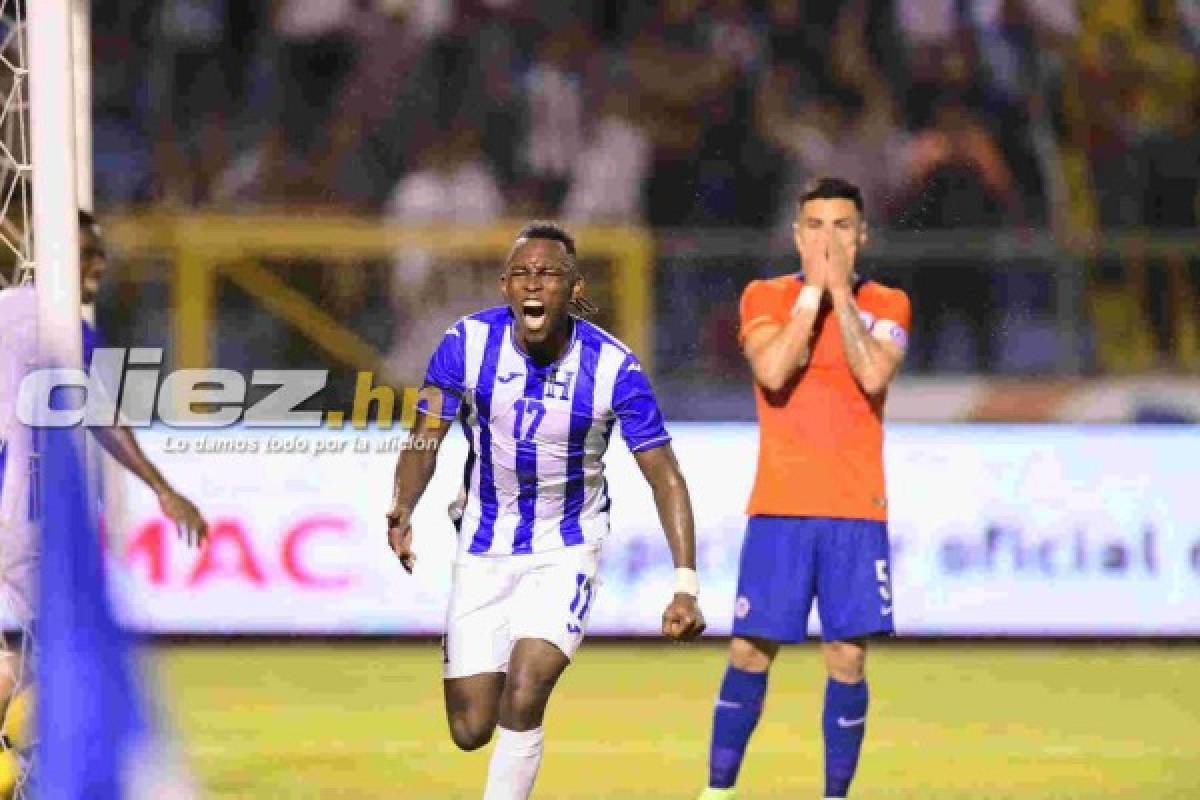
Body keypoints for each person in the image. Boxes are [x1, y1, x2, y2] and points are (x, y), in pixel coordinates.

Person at [385, 221, 706, 800]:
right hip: (483, 544)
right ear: (506, 286)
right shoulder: (463, 343)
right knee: (470, 728)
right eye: (522, 273)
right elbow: (423, 435)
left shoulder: (615, 367)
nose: (535, 284)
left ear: (574, 288)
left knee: (528, 686)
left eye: (549, 273)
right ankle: (474, 645)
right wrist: (402, 506)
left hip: (567, 545)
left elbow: (665, 474)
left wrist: (685, 583)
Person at [698, 178, 911, 800]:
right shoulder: (763, 296)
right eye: (815, 225)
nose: (827, 237)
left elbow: (873, 374)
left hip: (854, 508)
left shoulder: (890, 303)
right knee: (747, 652)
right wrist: (814, 293)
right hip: (780, 507)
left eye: (841, 225)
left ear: (862, 234)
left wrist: (839, 296)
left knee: (847, 658)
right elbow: (772, 368)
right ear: (796, 234)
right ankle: (718, 792)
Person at [0, 211, 208, 724]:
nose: (102, 263)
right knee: (54, 652)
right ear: (59, 259)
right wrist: (162, 487)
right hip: (26, 508)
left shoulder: (5, 310)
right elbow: (99, 415)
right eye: (90, 253)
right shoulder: (67, 331)